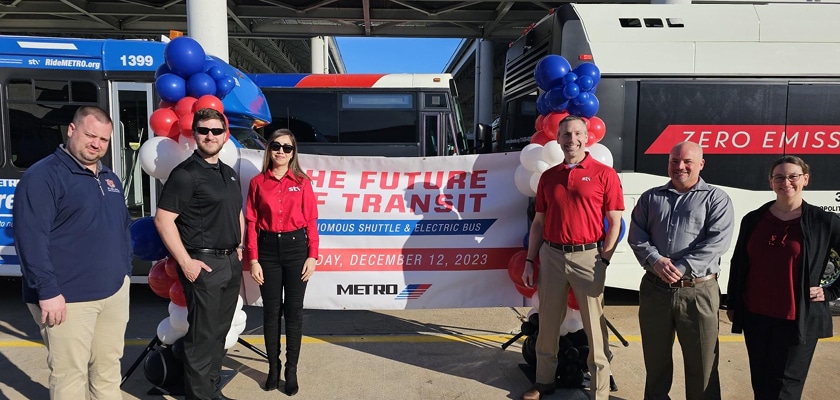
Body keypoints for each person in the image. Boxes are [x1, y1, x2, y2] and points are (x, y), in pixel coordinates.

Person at [13, 106, 132, 399]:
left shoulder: (109, 178)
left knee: (107, 371)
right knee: (70, 377)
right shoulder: (43, 176)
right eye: (90, 135)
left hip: (113, 292)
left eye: (103, 140)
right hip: (67, 298)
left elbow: (122, 227)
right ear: (71, 130)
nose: (96, 144)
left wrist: (125, 273)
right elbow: (30, 239)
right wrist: (48, 291)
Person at [520, 115, 624, 400]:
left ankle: (599, 392)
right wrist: (530, 260)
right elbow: (538, 222)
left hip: (588, 257)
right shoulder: (549, 177)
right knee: (548, 325)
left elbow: (614, 221)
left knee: (595, 329)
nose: (572, 139)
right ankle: (543, 382)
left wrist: (604, 260)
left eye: (577, 133)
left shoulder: (604, 174)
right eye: (566, 134)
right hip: (551, 256)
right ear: (558, 139)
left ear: (587, 136)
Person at [627, 141, 735, 400]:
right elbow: (636, 234)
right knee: (656, 361)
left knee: (703, 363)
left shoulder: (716, 198)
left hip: (698, 292)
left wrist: (680, 266)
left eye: (687, 161)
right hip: (655, 290)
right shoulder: (651, 197)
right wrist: (655, 260)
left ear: (701, 164)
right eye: (674, 161)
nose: (680, 167)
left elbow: (717, 242)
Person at [727, 155, 840, 400]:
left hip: (797, 321)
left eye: (793, 176)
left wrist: (831, 291)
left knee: (785, 390)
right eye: (779, 177)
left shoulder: (823, 221)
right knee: (761, 384)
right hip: (756, 318)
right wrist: (734, 304)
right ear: (770, 182)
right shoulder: (754, 219)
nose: (786, 182)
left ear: (805, 179)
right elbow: (738, 264)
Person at [154, 108, 244, 400]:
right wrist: (185, 262)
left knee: (219, 334)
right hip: (203, 264)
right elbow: (163, 219)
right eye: (204, 130)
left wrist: (240, 247)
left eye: (216, 131)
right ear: (194, 134)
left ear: (225, 135)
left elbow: (237, 213)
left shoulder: (228, 173)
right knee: (201, 338)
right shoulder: (186, 174)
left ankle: (211, 391)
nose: (210, 136)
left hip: (229, 262)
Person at [245, 129, 318, 395]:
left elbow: (311, 221)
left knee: (294, 314)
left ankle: (292, 370)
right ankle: (273, 369)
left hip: (296, 249)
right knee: (271, 313)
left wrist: (312, 255)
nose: (281, 151)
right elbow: (251, 223)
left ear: (293, 152)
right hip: (267, 250)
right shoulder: (257, 183)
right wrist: (253, 259)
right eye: (276, 146)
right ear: (269, 149)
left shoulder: (302, 182)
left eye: (287, 148)